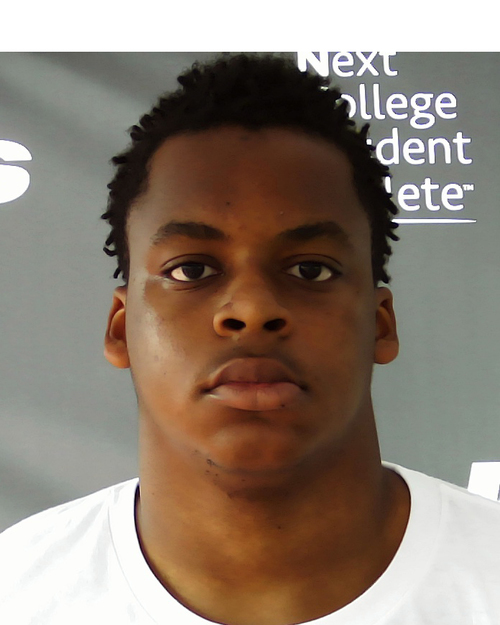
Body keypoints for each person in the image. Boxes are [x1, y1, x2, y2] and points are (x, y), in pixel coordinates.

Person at [1, 52, 499, 625]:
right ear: (121, 329)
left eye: (310, 269)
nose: (253, 309)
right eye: (192, 269)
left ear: (380, 324)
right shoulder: (17, 593)